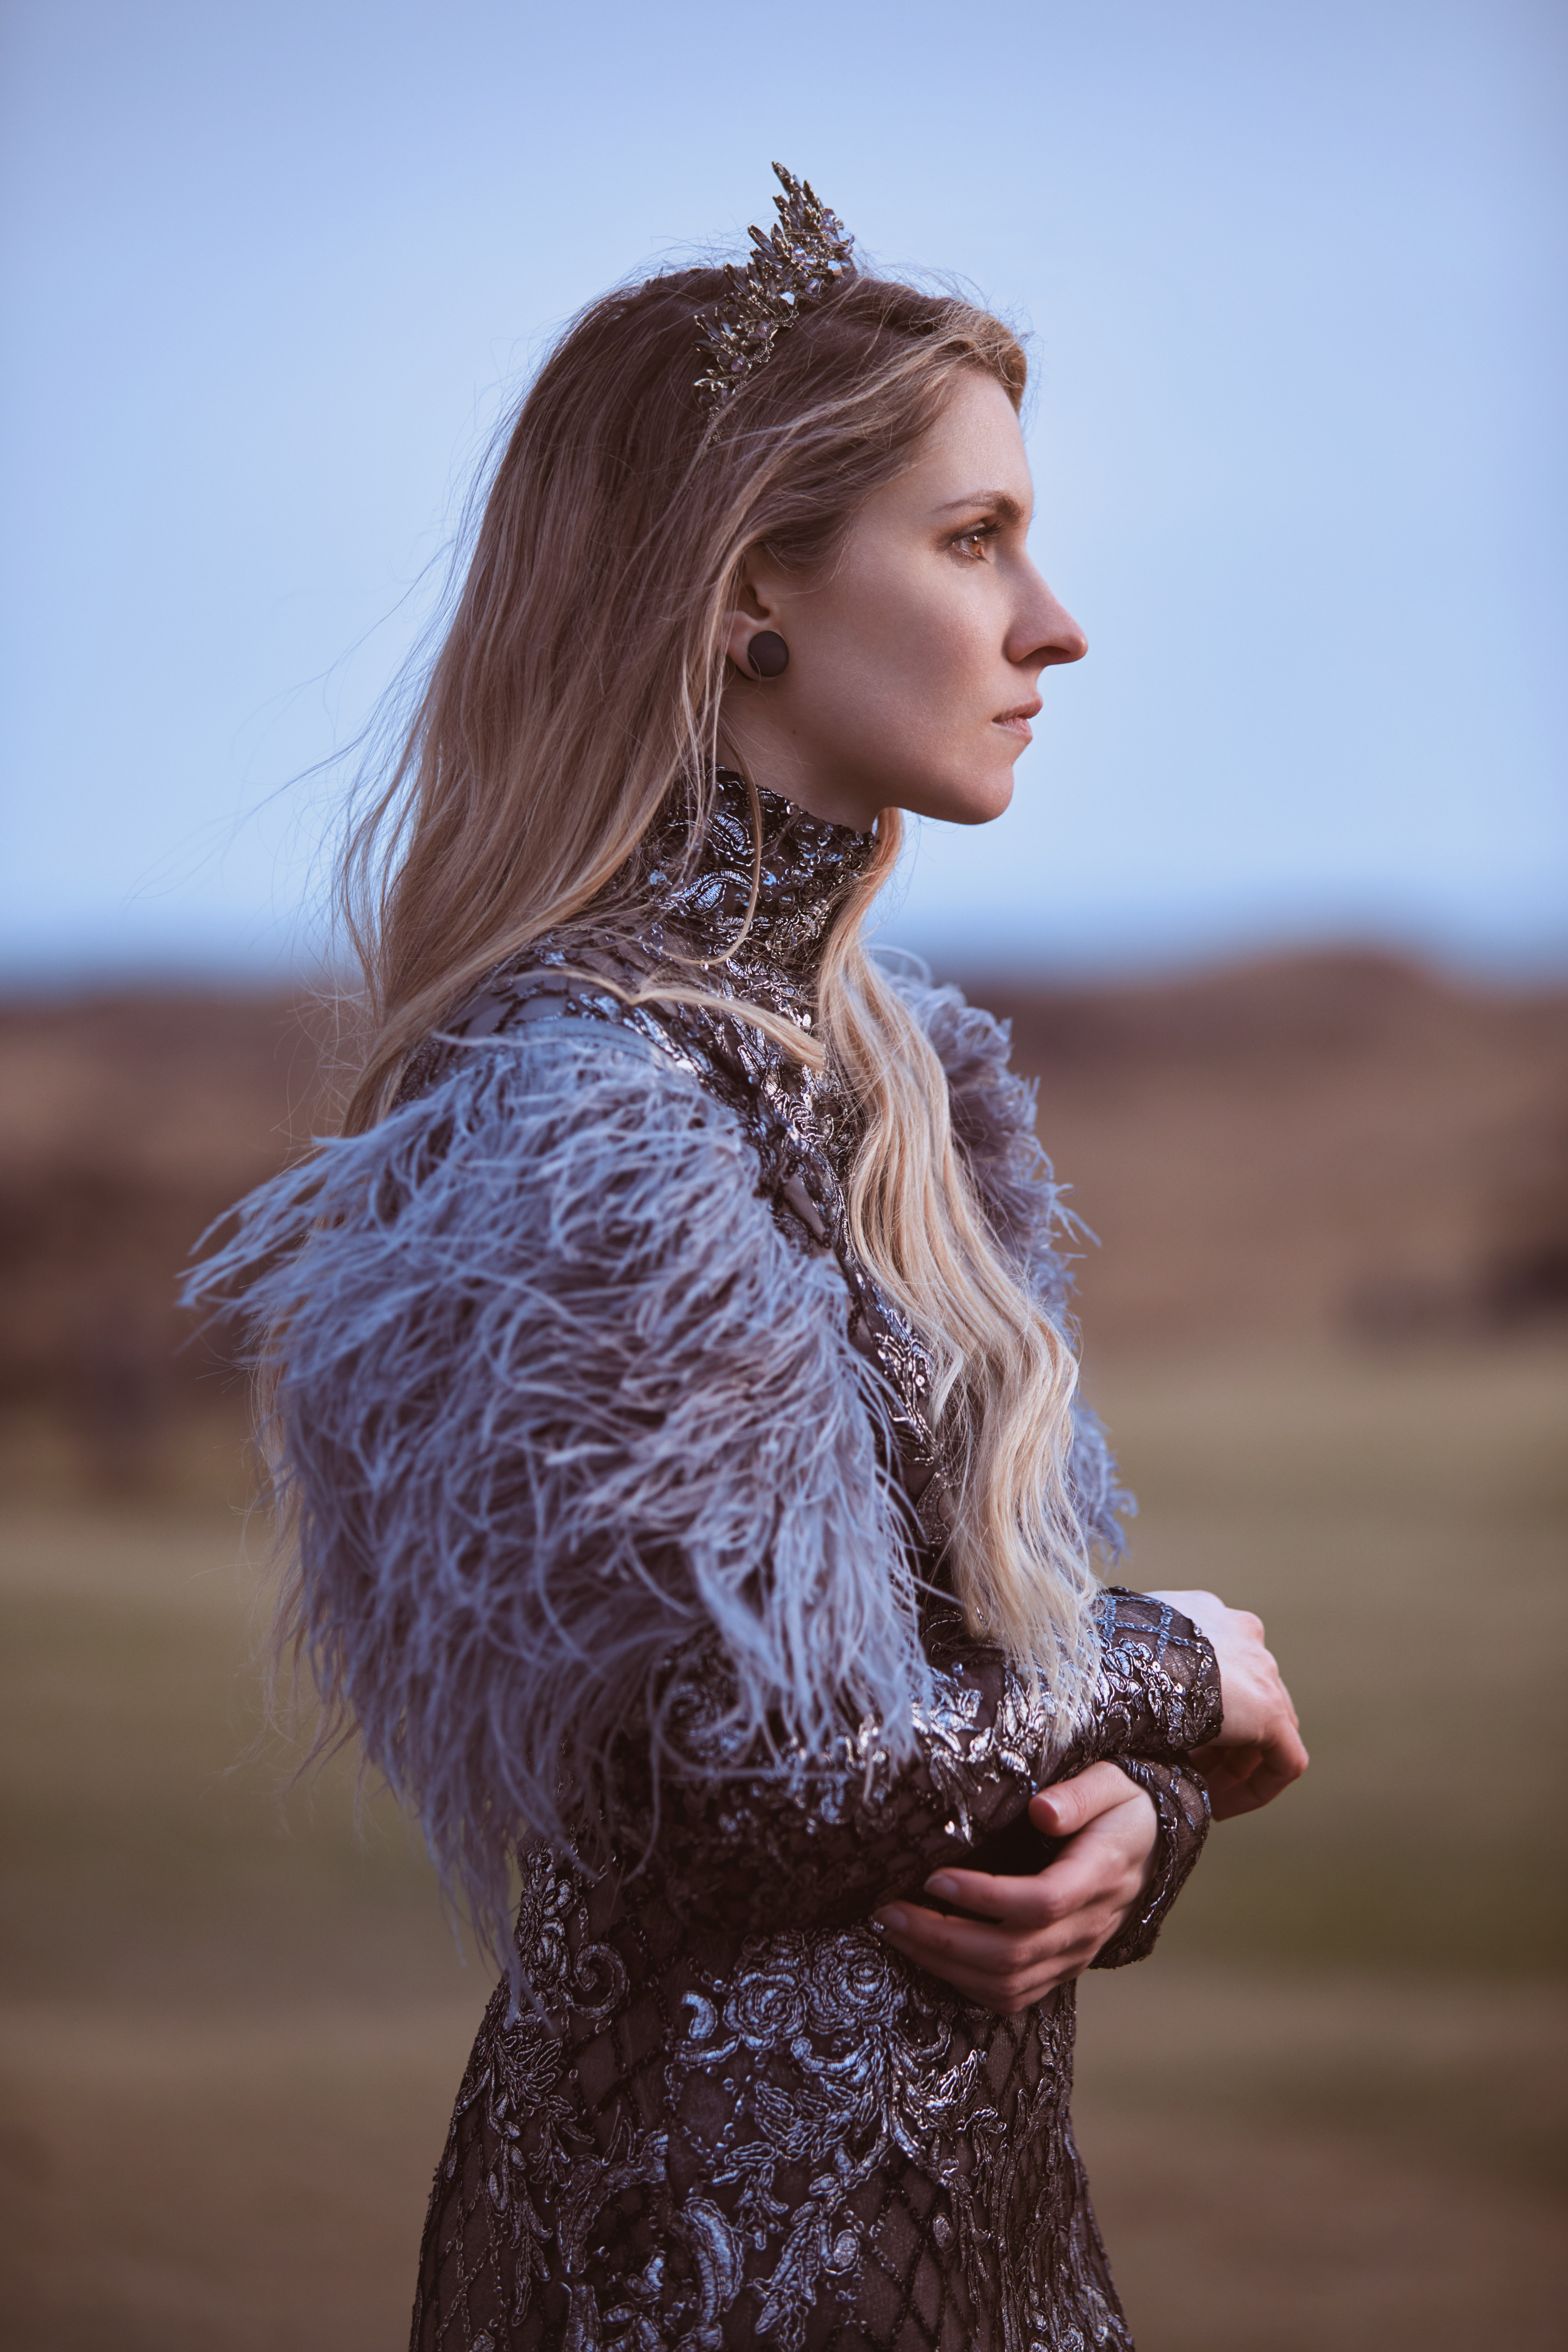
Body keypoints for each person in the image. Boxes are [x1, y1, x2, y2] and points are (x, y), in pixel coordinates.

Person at [195, 168, 1306, 2352]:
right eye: (975, 540)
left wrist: (1123, 1828)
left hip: (982, 2257)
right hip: (685, 2274)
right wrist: (1192, 1668)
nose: (1052, 623)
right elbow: (742, 1778)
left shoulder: (910, 1096)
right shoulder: (587, 1110)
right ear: (746, 598)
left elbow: (953, 1690)